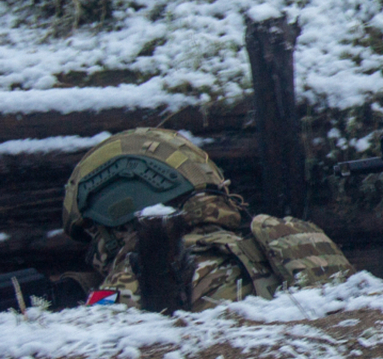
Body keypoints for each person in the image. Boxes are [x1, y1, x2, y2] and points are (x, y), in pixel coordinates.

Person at [59, 128, 353, 311]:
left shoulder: (147, 266)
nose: (94, 248)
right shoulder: (257, 247)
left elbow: (97, 326)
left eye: (95, 232)